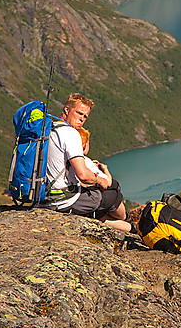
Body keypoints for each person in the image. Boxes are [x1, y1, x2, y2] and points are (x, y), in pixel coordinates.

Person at [45, 93, 129, 230]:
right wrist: (99, 180)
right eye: (79, 113)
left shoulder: (48, 129)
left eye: (85, 116)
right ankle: (127, 221)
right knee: (112, 192)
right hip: (64, 201)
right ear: (67, 110)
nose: (82, 119)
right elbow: (83, 174)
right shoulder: (70, 134)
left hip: (43, 198)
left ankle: (116, 221)